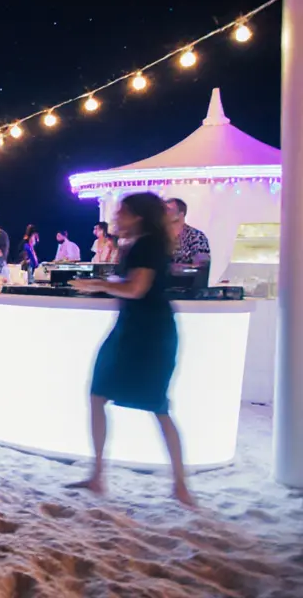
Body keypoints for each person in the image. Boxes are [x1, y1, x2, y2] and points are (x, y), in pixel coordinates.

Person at [69, 193, 194, 506]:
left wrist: (96, 284)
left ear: (137, 216)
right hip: (130, 329)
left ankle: (180, 486)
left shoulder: (148, 244)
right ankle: (97, 475)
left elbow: (137, 289)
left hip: (149, 334)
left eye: (121, 212)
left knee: (158, 405)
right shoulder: (139, 243)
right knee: (99, 394)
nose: (115, 217)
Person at [166, 198, 211, 268]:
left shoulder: (196, 236)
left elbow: (202, 266)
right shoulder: (160, 236)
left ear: (181, 214)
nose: (164, 213)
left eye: (168, 209)